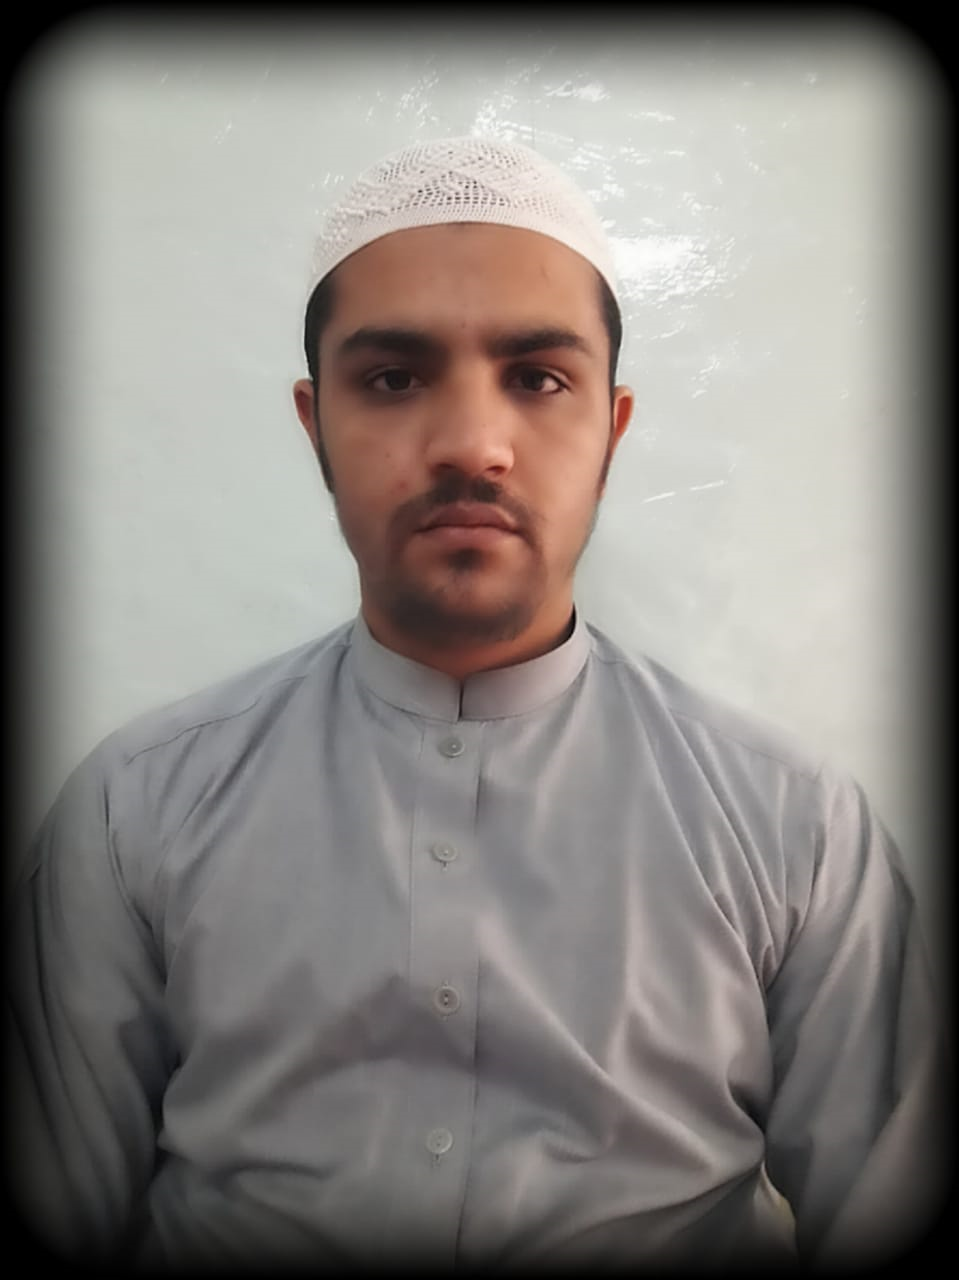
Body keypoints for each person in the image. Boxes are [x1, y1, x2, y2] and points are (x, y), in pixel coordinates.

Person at [7, 136, 948, 1273]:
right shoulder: (135, 805)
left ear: (611, 428)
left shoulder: (793, 823)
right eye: (392, 378)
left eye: (538, 378)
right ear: (314, 423)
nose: (470, 446)